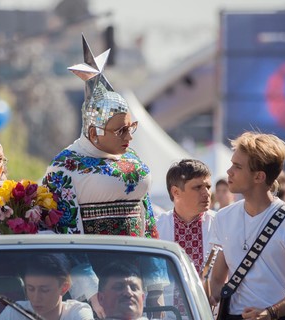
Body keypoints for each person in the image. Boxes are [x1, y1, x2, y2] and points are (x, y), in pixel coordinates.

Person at [42, 35, 166, 314]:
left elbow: (148, 223)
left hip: (137, 284)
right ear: (93, 132)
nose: (128, 137)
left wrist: (156, 286)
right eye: (120, 130)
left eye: (130, 127)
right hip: (97, 290)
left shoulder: (131, 157)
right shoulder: (64, 167)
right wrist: (92, 297)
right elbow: (67, 235)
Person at [209, 132, 285, 320]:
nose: (229, 171)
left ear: (259, 176)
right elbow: (218, 279)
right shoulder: (223, 217)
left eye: (237, 166)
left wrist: (271, 312)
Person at [156, 159, 215, 273]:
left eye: (208, 187)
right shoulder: (156, 228)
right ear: (176, 192)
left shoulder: (221, 224)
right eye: (198, 187)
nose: (206, 193)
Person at [0, 254, 94, 320]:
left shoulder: (77, 313)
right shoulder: (14, 312)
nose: (36, 298)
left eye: (44, 290)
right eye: (30, 289)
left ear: (64, 287)